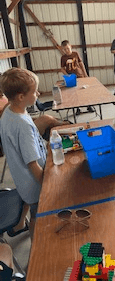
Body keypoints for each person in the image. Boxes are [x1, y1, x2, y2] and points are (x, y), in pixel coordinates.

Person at [0, 69, 71, 239]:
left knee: (32, 208)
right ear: (20, 97)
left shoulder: (9, 112)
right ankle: (35, 249)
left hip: (22, 180)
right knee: (37, 216)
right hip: (34, 183)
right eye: (35, 92)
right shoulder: (22, 125)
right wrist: (47, 186)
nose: (38, 94)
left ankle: (19, 227)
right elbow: (32, 163)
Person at [60, 40, 94, 114]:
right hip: (71, 77)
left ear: (70, 47)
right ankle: (77, 108)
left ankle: (89, 106)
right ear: (62, 49)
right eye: (64, 49)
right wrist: (67, 75)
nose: (66, 50)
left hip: (80, 75)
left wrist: (85, 74)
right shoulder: (63, 58)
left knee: (84, 91)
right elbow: (62, 69)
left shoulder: (75, 54)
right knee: (74, 93)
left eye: (68, 48)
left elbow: (81, 63)